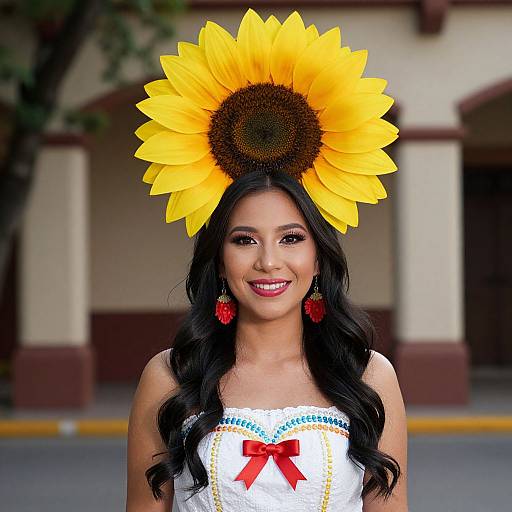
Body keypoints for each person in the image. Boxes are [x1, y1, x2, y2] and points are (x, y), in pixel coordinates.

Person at [126, 8, 407, 512]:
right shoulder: (170, 377)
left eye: (292, 238)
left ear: (319, 260)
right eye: (245, 240)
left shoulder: (369, 377)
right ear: (219, 260)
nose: (269, 262)